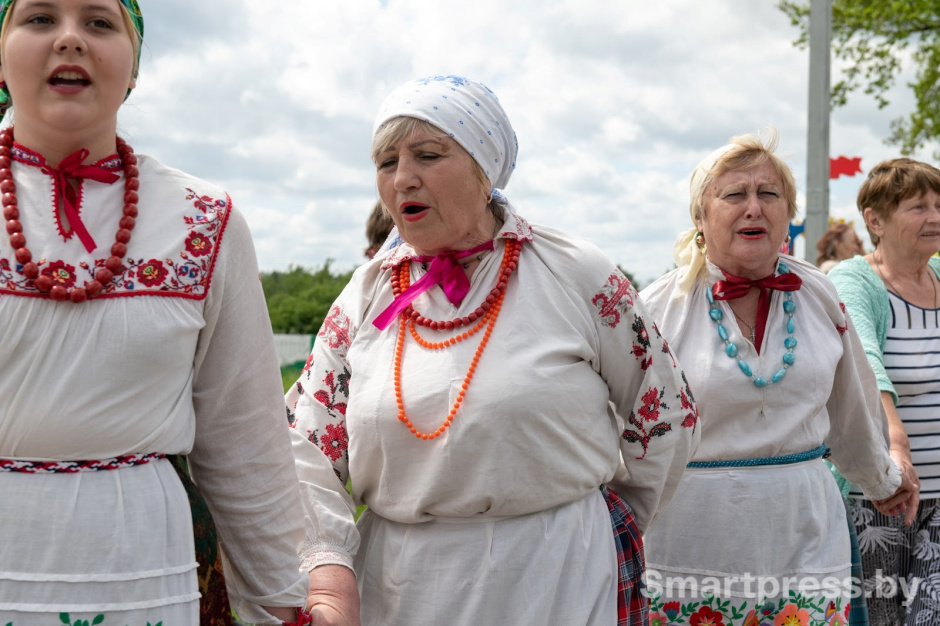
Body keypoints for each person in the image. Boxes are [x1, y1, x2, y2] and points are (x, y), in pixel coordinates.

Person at [286, 75, 700, 626]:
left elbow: (664, 411)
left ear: (485, 172)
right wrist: (329, 565)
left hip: (558, 575)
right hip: (403, 584)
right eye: (386, 163)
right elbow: (307, 445)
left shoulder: (574, 272)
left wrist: (610, 519)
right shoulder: (366, 296)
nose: (403, 177)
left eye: (427, 155)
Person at [0, 1, 358, 624]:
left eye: (100, 22)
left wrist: (283, 602)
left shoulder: (205, 219)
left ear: (134, 65)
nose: (69, 40)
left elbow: (243, 438)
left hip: (140, 565)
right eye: (37, 18)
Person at [638, 131, 917, 625]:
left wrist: (882, 479)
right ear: (700, 218)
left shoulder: (819, 294)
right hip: (693, 533)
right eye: (733, 195)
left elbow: (852, 407)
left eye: (769, 194)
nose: (754, 208)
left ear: (788, 211)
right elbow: (628, 427)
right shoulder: (660, 308)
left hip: (803, 525)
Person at [828, 158, 939, 626]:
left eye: (939, 204)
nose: (934, 216)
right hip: (877, 496)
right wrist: (895, 446)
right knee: (882, 619)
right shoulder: (855, 280)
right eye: (918, 207)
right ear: (875, 220)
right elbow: (863, 361)